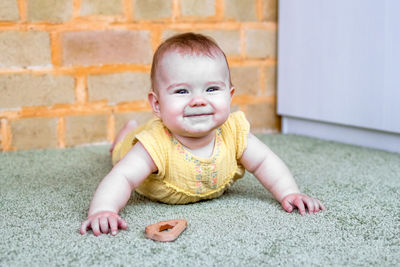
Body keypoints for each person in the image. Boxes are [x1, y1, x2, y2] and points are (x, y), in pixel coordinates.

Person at [80, 32, 325, 236]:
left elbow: (264, 162)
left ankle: (133, 124)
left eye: (211, 88)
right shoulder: (154, 144)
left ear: (229, 96)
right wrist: (103, 209)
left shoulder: (234, 133)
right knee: (122, 149)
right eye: (182, 91)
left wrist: (290, 192)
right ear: (157, 104)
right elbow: (123, 177)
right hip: (134, 145)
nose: (198, 101)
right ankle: (126, 133)